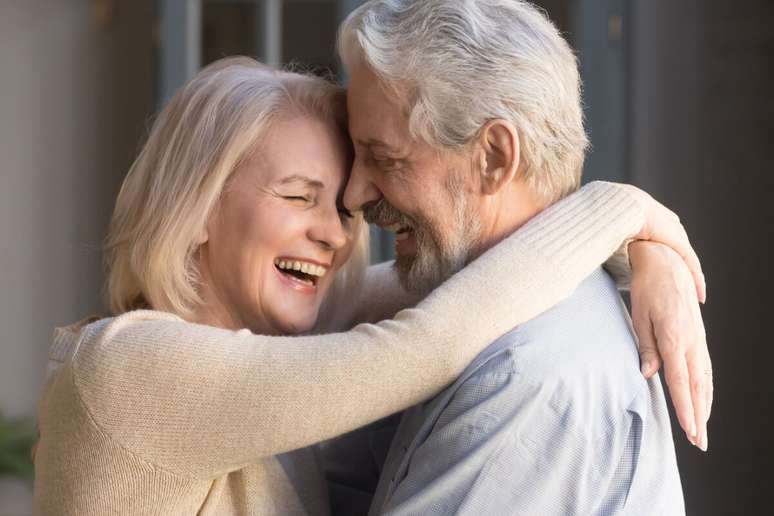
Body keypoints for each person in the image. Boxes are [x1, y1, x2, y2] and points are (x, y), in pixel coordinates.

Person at [32, 57, 705, 516]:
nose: (336, 235)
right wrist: (626, 210)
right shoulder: (131, 371)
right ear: (199, 208)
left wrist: (648, 255)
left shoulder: (264, 332)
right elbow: (428, 344)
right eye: (300, 197)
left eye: (345, 210)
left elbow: (476, 270)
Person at [336, 1, 706, 514]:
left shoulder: (523, 377)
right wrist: (636, 236)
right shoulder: (476, 315)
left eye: (383, 158)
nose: (353, 195)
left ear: (494, 159)